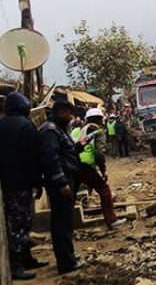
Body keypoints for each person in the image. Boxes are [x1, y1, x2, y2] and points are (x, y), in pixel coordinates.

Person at [0, 92, 48, 280]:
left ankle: (27, 258)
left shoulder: (1, 125)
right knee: (21, 223)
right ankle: (17, 265)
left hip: (7, 183)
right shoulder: (26, 126)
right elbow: (32, 159)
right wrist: (39, 183)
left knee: (18, 222)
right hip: (22, 184)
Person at [37, 100, 86, 275]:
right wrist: (62, 183)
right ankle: (66, 262)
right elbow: (51, 159)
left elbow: (65, 152)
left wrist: (79, 146)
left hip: (66, 180)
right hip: (61, 183)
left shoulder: (57, 129)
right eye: (69, 114)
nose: (71, 118)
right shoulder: (50, 131)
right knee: (62, 223)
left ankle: (68, 257)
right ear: (62, 113)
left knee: (64, 222)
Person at [75, 108, 126, 229]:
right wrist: (103, 171)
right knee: (105, 191)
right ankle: (112, 221)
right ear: (100, 119)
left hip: (74, 164)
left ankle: (66, 225)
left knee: (72, 194)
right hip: (86, 165)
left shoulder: (80, 130)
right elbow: (98, 154)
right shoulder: (98, 132)